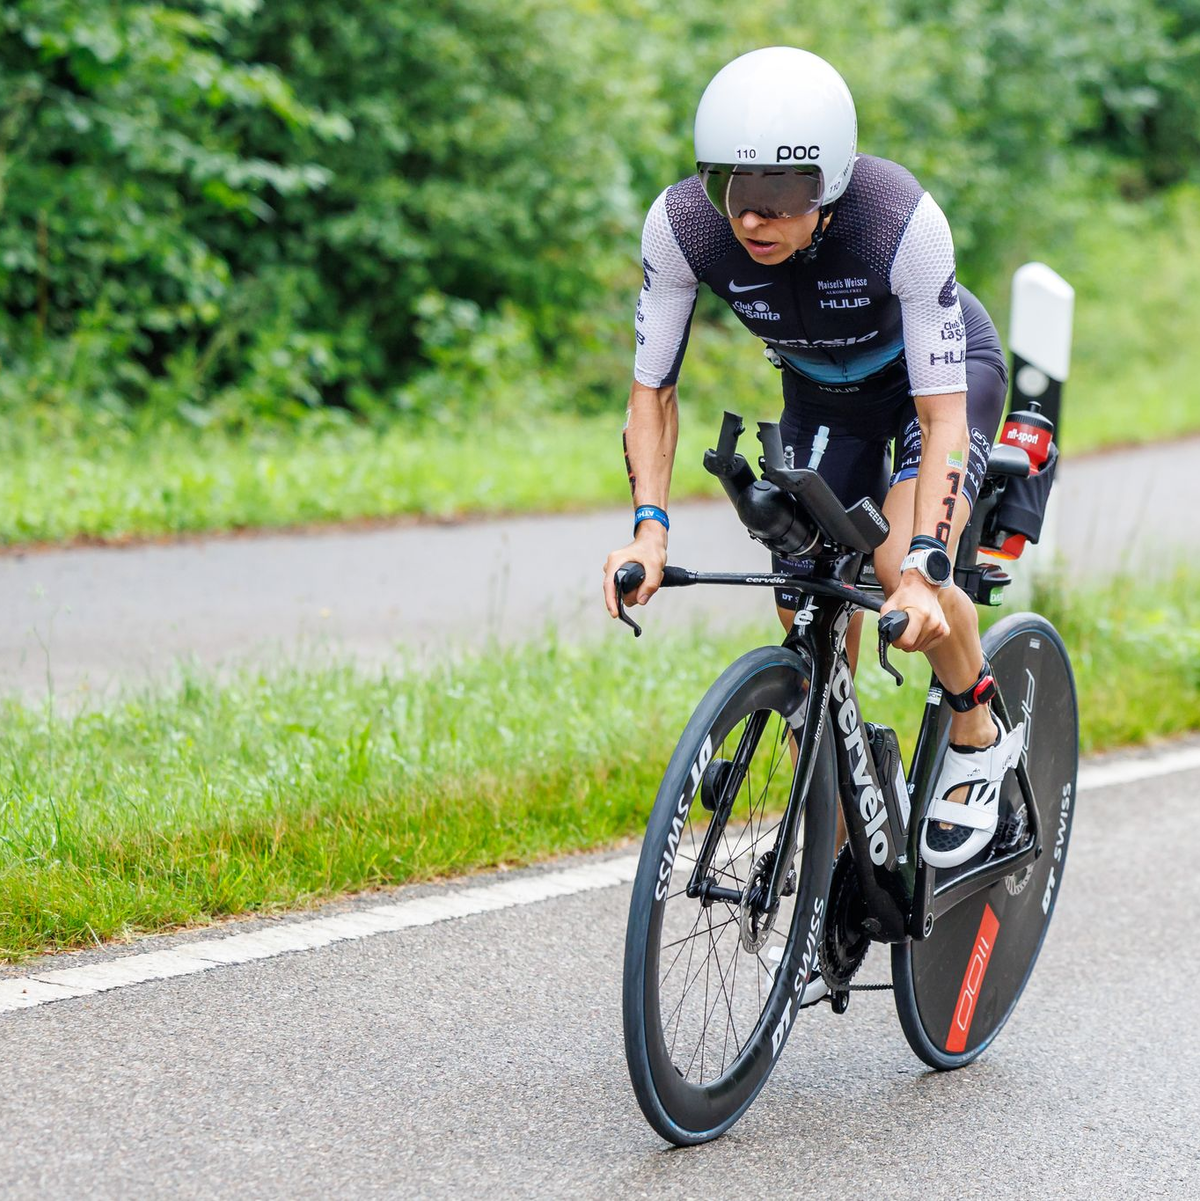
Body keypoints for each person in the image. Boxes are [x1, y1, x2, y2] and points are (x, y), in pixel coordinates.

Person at [602, 46, 1023, 871]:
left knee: (901, 562)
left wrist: (927, 566)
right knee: (802, 591)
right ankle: (833, 826)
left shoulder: (899, 222)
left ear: (828, 187)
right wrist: (649, 528)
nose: (751, 218)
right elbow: (650, 390)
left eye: (778, 195)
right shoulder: (682, 226)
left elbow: (941, 419)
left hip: (932, 385)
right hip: (825, 400)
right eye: (733, 189)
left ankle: (977, 728)